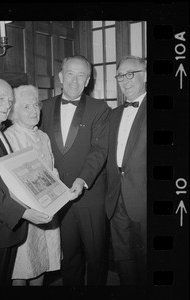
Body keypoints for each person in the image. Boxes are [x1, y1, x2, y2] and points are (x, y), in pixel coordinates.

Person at [0, 77, 53, 286]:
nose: (7, 104)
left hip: (1, 230)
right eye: (0, 98)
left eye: (9, 100)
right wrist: (24, 213)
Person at [40, 55, 110, 286]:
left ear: (88, 80)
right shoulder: (45, 107)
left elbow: (99, 150)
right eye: (70, 73)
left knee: (96, 257)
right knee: (69, 257)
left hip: (90, 196)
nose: (74, 80)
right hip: (59, 197)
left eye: (81, 75)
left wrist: (82, 179)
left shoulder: (99, 108)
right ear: (61, 76)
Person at [4, 85, 62, 286]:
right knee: (22, 266)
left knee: (42, 262)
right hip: (25, 214)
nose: (34, 110)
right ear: (14, 112)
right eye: (26, 107)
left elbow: (51, 172)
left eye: (36, 105)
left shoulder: (43, 136)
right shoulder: (9, 137)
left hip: (47, 209)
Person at [105, 55, 147, 285]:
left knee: (147, 257)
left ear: (145, 75)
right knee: (123, 256)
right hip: (116, 196)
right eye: (121, 75)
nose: (125, 80)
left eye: (131, 74)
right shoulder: (113, 114)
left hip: (144, 196)